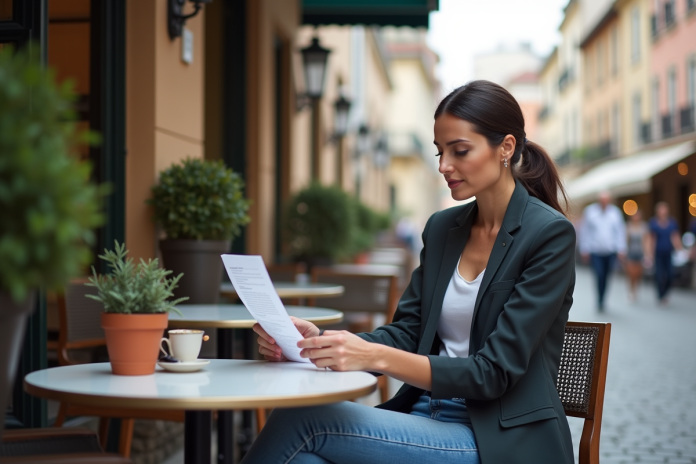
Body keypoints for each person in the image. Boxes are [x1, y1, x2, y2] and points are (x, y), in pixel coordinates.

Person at [244, 80, 576, 464]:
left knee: (303, 421)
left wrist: (373, 356)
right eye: (439, 152)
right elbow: (407, 331)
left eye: (460, 151)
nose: (443, 166)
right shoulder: (443, 229)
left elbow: (493, 373)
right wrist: (322, 344)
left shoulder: (548, 235)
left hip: (494, 439)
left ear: (505, 148)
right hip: (423, 417)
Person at [578, 191, 627, 311]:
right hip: (595, 251)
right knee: (599, 274)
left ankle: (603, 298)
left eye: (606, 200)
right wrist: (584, 248)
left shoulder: (615, 213)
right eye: (602, 200)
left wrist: (621, 248)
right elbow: (585, 231)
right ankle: (599, 299)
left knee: (606, 276)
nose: (604, 203)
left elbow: (620, 232)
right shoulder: (590, 212)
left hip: (610, 251)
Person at [648, 202, 683, 305]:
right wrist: (650, 254)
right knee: (659, 275)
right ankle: (660, 295)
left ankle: (665, 293)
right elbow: (652, 239)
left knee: (670, 275)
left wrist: (680, 249)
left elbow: (675, 237)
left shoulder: (672, 223)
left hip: (669, 253)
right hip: (658, 254)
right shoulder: (654, 223)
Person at [625, 209, 650, 302]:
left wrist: (647, 254)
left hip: (640, 253)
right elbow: (626, 240)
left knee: (638, 274)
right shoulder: (629, 226)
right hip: (631, 253)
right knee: (631, 274)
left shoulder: (644, 227)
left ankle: (635, 290)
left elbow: (647, 241)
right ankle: (631, 290)